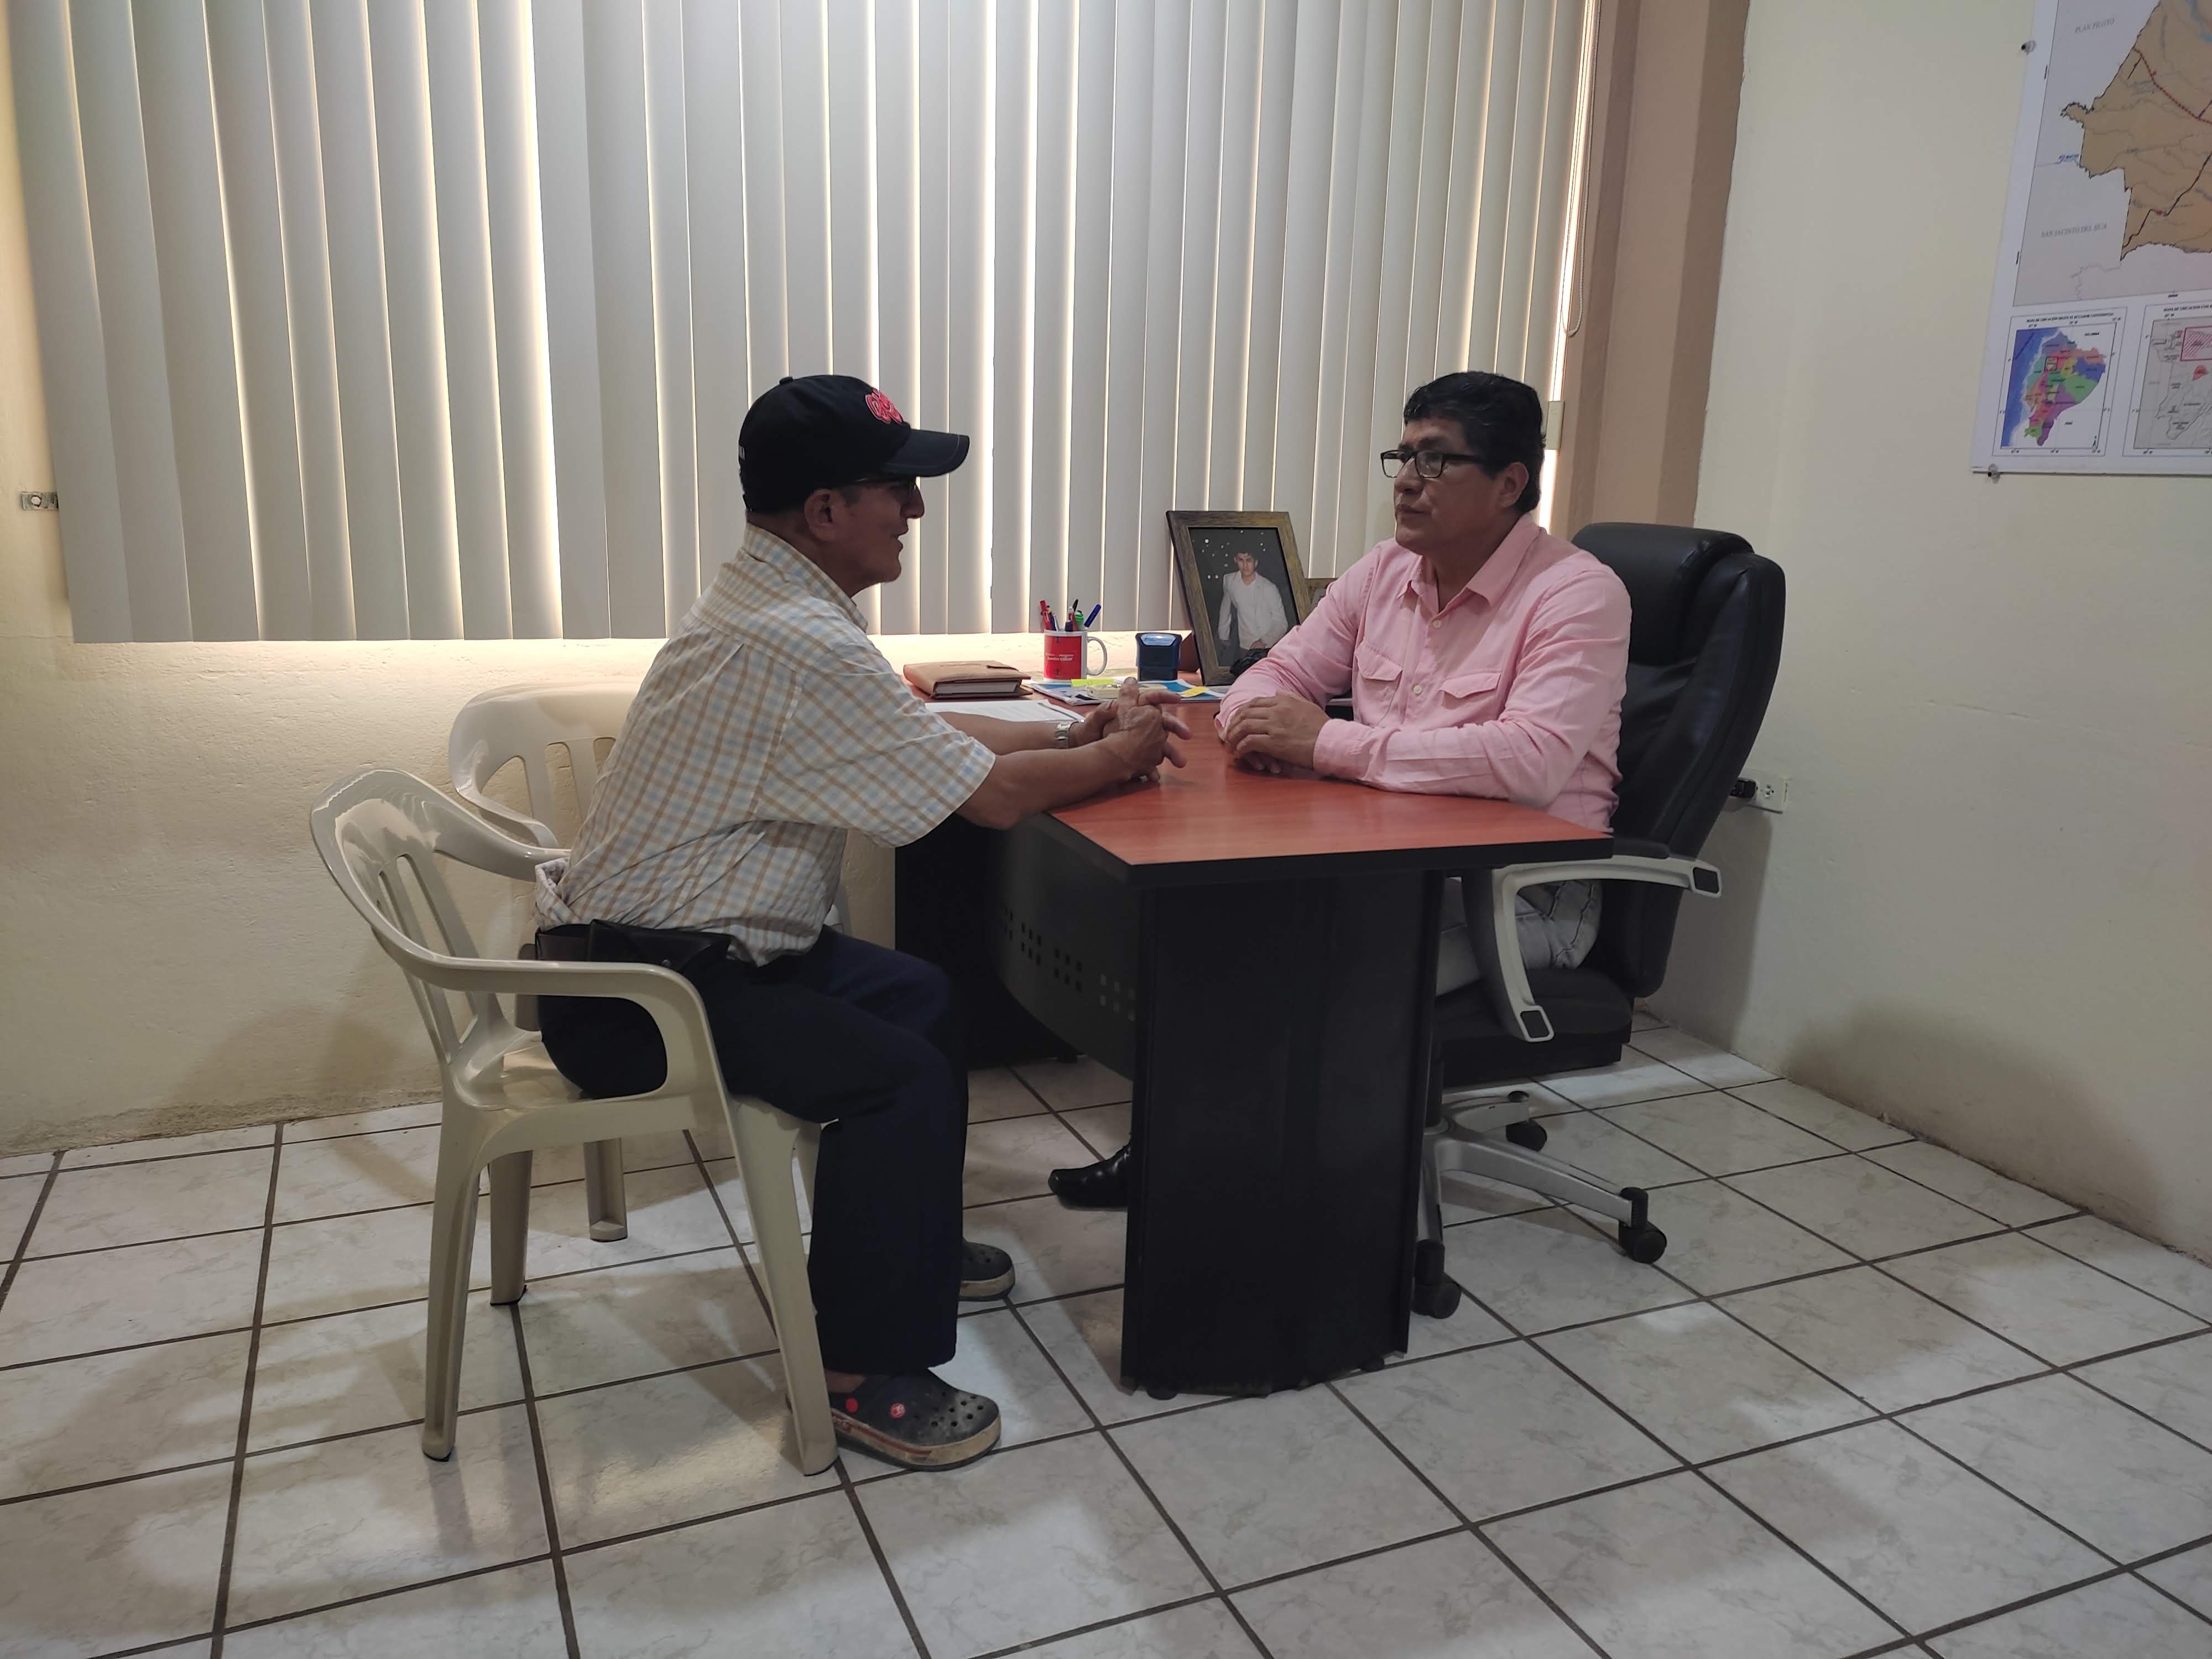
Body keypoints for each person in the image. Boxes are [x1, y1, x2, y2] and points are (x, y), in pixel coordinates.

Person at [535, 374, 1187, 1468]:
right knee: (897, 1076)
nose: (916, 510)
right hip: (639, 995)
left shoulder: (778, 604)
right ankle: (858, 1377)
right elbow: (990, 799)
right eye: (899, 489)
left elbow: (934, 749)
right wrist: (1119, 755)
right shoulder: (797, 639)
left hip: (688, 956)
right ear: (827, 510)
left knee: (919, 995)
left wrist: (1074, 743)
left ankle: (901, 1254)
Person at [1048, 369, 1629, 1210]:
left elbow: (1531, 761)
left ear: (1510, 483)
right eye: (1404, 455)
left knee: (1289, 968)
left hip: (1518, 891)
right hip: (1382, 861)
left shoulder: (1576, 594)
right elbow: (1272, 673)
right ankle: (1203, 1157)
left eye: (1436, 460)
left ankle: (1244, 1187)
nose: (1407, 480)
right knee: (1215, 926)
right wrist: (1257, 726)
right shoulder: (1386, 571)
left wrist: (1325, 744)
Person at [1214, 547, 1291, 653]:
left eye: (1249, 561)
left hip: (1269, 646)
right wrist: (1224, 634)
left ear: (1256, 563)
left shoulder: (1269, 588)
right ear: (1235, 560)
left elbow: (1282, 623)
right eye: (1241, 560)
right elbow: (1225, 607)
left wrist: (1264, 641)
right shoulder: (1230, 581)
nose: (1245, 566)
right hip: (1245, 645)